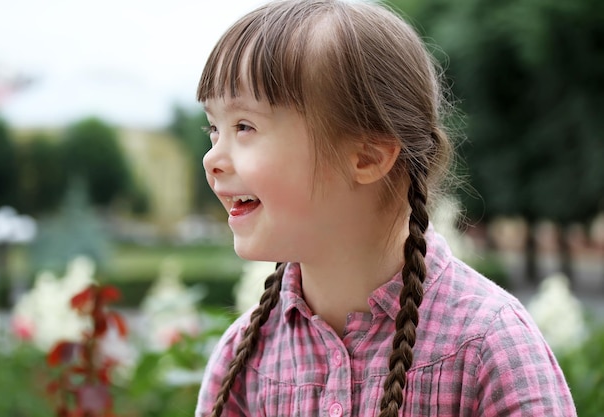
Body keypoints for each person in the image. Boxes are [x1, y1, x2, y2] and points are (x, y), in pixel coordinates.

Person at [194, 0, 577, 415]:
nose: (212, 158)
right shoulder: (243, 357)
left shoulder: (488, 345)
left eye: (244, 127)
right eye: (214, 128)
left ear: (368, 157)